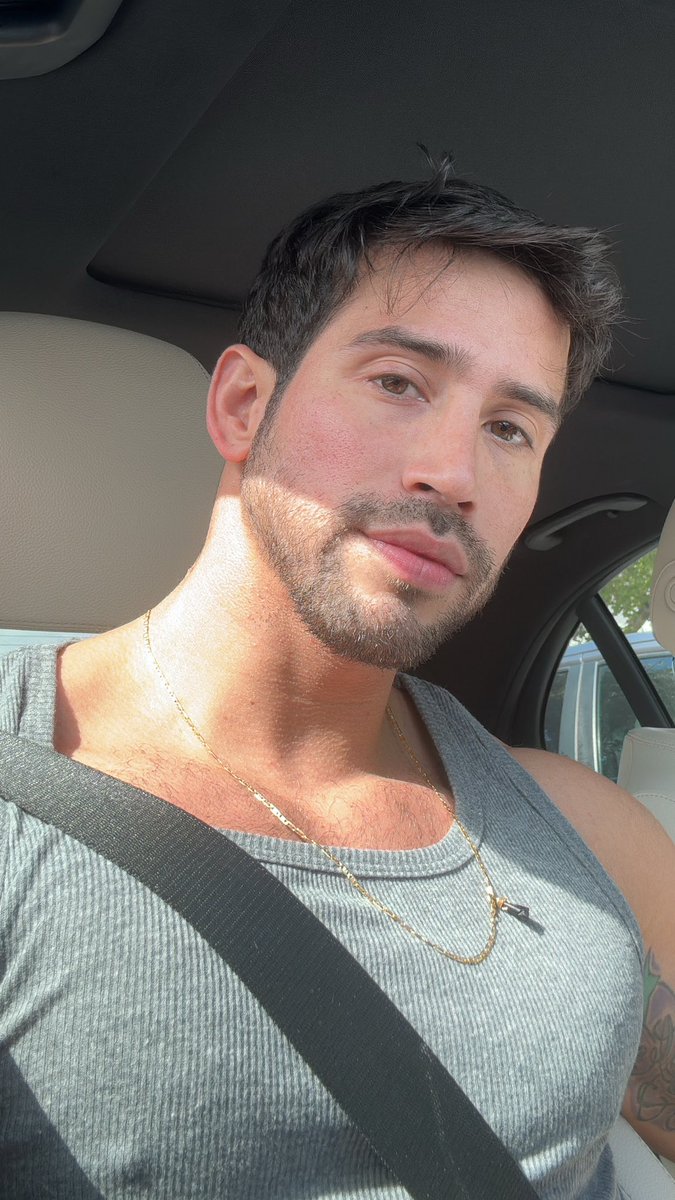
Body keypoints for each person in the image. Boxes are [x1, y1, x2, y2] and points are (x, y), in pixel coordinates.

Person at [1, 158, 673, 1200]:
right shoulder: (22, 805)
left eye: (510, 428)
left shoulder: (590, 832)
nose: (452, 472)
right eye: (398, 382)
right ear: (243, 404)